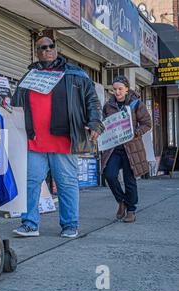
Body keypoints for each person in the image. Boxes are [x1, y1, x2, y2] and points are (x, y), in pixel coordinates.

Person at [11, 36, 104, 238]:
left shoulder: (75, 74)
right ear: (36, 51)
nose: (47, 50)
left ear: (56, 48)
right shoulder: (30, 76)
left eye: (50, 46)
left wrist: (95, 122)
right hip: (35, 141)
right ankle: (29, 224)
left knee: (67, 183)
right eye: (42, 47)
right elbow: (16, 105)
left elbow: (92, 100)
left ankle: (70, 225)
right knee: (30, 182)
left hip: (63, 141)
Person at [101, 75, 152, 223]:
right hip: (114, 149)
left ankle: (131, 210)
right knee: (109, 175)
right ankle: (121, 201)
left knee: (130, 180)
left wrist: (135, 133)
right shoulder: (108, 106)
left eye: (120, 89)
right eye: (114, 89)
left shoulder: (136, 104)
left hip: (131, 148)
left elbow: (147, 123)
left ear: (127, 89)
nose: (117, 92)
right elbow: (105, 125)